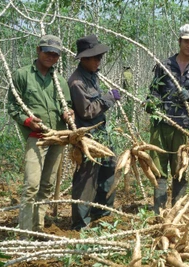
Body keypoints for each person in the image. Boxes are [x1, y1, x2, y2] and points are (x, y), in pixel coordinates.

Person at [8, 34, 73, 234]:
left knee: (46, 185)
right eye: (48, 53)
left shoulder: (59, 80)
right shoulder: (22, 75)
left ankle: (38, 230)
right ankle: (26, 234)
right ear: (38, 51)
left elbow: (67, 105)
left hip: (57, 137)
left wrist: (67, 112)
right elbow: (12, 106)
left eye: (55, 55)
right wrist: (27, 121)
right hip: (36, 139)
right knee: (31, 186)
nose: (51, 57)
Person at [147, 24, 189, 214]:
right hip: (161, 124)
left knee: (180, 169)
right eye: (186, 41)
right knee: (158, 169)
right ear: (180, 41)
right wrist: (152, 103)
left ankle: (177, 210)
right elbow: (153, 91)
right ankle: (158, 210)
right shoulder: (164, 66)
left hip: (183, 126)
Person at [68, 34, 121, 231]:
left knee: (108, 171)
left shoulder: (92, 76)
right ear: (84, 58)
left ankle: (102, 214)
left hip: (103, 133)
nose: (99, 61)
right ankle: (80, 224)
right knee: (86, 179)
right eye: (95, 57)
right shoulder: (76, 83)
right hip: (88, 139)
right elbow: (87, 111)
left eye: (100, 57)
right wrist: (109, 98)